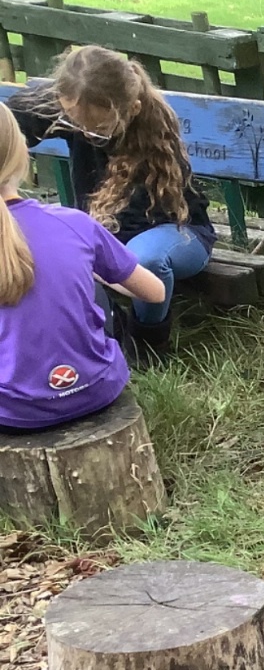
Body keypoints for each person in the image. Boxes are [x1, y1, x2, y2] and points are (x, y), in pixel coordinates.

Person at [4, 44, 215, 358]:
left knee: (146, 259)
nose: (86, 134)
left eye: (99, 129)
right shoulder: (76, 106)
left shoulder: (155, 137)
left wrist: (80, 250)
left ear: (131, 109)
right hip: (102, 233)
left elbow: (131, 222)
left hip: (171, 232)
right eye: (76, 123)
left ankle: (147, 345)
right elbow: (10, 124)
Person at [1, 106, 167, 432]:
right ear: (21, 152)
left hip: (13, 411)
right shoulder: (73, 223)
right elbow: (155, 292)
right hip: (96, 390)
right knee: (96, 292)